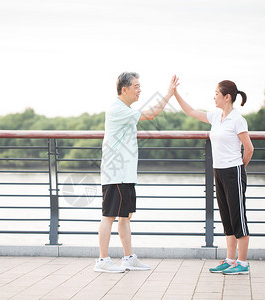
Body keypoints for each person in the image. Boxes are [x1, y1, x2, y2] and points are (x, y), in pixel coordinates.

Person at [94, 72, 179, 273]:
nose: (140, 90)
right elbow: (151, 114)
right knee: (109, 216)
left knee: (125, 216)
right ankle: (102, 260)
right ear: (124, 89)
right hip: (115, 173)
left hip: (126, 173)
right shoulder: (117, 110)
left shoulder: (126, 110)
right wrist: (168, 94)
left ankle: (128, 258)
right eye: (136, 86)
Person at [174, 80, 254, 275]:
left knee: (238, 219)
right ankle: (230, 260)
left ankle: (242, 264)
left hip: (233, 171)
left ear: (227, 97)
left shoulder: (237, 119)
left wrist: (239, 168)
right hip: (218, 171)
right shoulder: (216, 116)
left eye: (217, 93)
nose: (214, 96)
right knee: (226, 217)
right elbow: (191, 112)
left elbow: (249, 149)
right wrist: (175, 93)